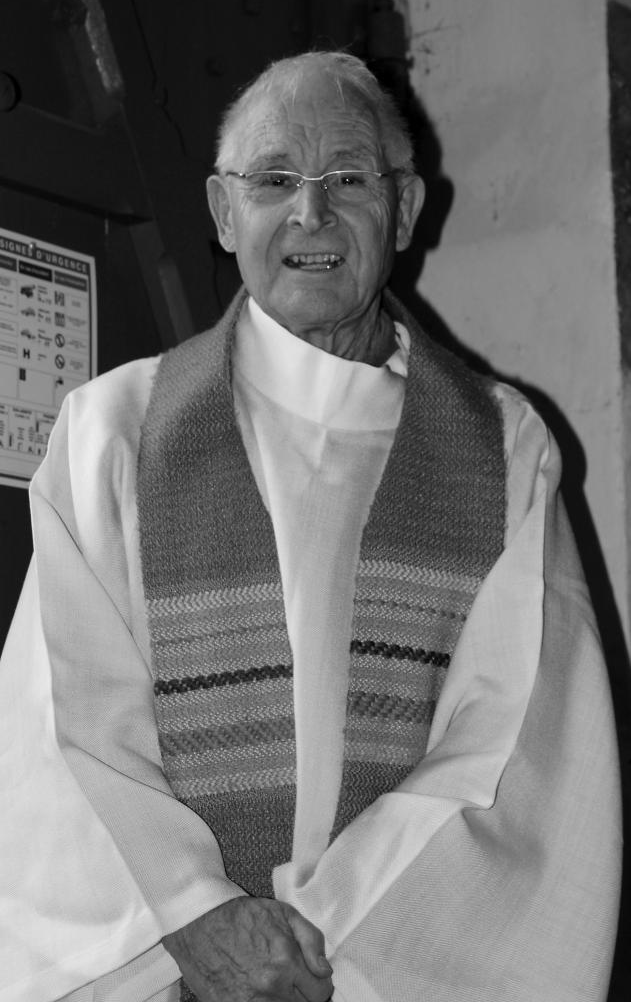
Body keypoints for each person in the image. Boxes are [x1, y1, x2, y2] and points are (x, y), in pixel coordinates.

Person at [0, 51, 622, 1002]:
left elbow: (519, 742)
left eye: (349, 178)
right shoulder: (111, 431)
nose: (311, 213)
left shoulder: (502, 447)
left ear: (404, 210)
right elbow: (63, 715)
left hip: (385, 971)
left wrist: (316, 946)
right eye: (273, 179)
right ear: (221, 213)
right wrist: (195, 915)